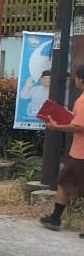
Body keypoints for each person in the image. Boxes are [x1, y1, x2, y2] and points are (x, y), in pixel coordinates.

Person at [39, 65, 84, 233]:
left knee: (64, 183)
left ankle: (55, 218)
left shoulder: (82, 100)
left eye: (76, 77)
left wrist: (57, 126)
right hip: (79, 152)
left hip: (80, 153)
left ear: (80, 79)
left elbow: (79, 127)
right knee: (65, 183)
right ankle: (55, 218)